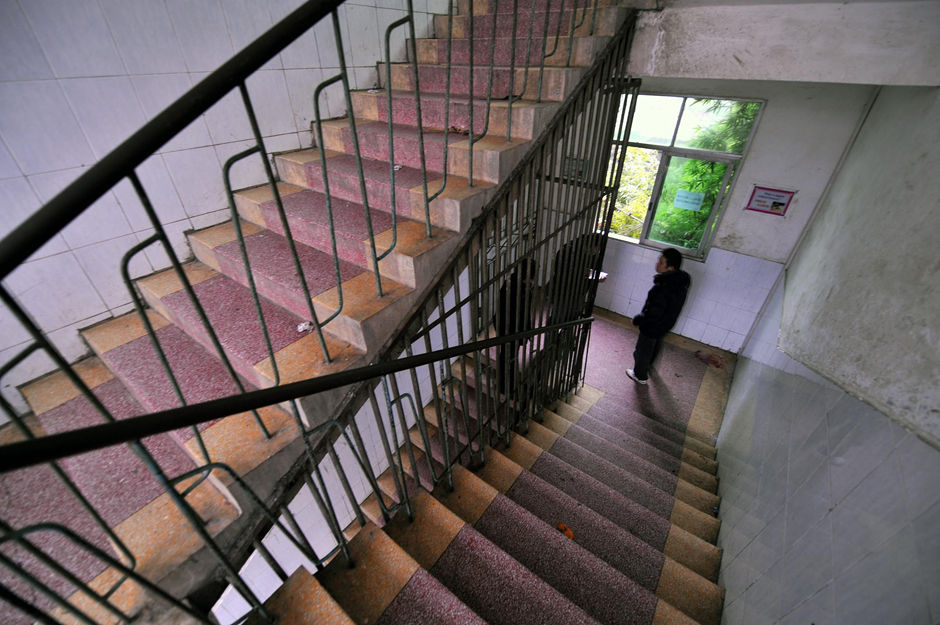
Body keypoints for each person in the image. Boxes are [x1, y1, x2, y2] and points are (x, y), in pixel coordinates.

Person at [626, 248, 691, 385]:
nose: (657, 264)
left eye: (661, 262)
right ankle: (648, 365)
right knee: (655, 345)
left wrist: (639, 320)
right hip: (666, 323)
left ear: (670, 268)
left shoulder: (664, 286)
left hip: (653, 325)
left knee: (643, 350)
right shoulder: (679, 282)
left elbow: (654, 311)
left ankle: (640, 375)